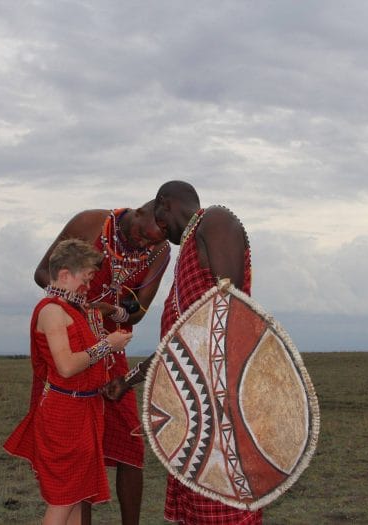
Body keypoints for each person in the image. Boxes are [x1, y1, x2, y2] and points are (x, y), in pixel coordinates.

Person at [104, 181, 262, 524]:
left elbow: (232, 308)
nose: (159, 235)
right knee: (199, 513)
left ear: (165, 205)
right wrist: (128, 381)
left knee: (226, 510)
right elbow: (179, 345)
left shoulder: (215, 220)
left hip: (219, 403)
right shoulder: (187, 256)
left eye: (159, 225)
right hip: (195, 411)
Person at [35, 201, 170, 525]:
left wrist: (114, 314)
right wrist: (84, 306)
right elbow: (43, 273)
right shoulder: (89, 223)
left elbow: (137, 311)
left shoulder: (158, 252)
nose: (143, 244)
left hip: (111, 353)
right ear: (137, 212)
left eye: (151, 241)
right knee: (80, 451)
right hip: (75, 342)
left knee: (130, 445)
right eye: (141, 234)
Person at [4, 238, 133, 525]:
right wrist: (107, 345)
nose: (88, 286)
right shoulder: (52, 311)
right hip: (64, 417)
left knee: (75, 497)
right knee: (62, 502)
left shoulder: (73, 310)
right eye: (86, 278)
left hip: (84, 412)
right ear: (64, 275)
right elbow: (66, 366)